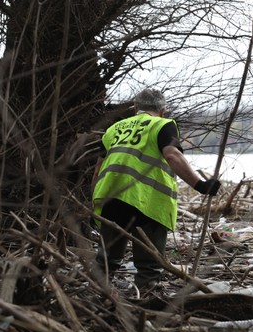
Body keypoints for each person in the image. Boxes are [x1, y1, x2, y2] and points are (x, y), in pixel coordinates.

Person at [91, 88, 221, 293]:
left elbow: (98, 169)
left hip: (110, 199)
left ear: (135, 108)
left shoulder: (114, 129)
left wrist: (95, 204)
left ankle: (95, 297)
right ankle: (147, 299)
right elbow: (172, 156)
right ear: (163, 110)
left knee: (106, 262)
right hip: (147, 203)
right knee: (149, 266)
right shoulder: (162, 125)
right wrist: (201, 185)